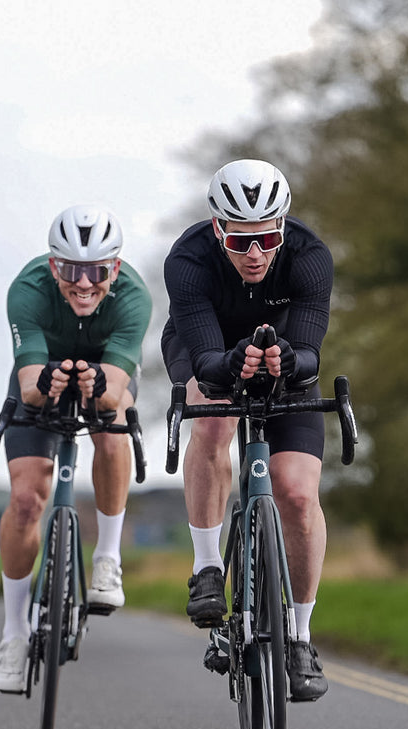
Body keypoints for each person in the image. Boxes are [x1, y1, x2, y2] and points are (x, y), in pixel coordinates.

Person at [162, 159, 333, 701]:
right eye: (240, 240)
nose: (256, 253)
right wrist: (229, 364)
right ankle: (209, 566)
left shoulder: (309, 257)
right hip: (206, 347)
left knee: (298, 495)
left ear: (283, 226)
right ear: (218, 229)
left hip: (284, 359)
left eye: (268, 238)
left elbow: (310, 353)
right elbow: (209, 363)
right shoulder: (188, 261)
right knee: (211, 426)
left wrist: (289, 360)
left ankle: (300, 635)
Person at [0, 204, 152, 693]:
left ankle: (107, 558)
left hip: (108, 376)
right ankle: (14, 634)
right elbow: (30, 385)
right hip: (40, 373)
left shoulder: (134, 297)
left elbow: (114, 392)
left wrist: (94, 385)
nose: (84, 283)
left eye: (97, 271)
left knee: (112, 424)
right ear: (53, 264)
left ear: (115, 269)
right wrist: (50, 382)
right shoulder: (29, 289)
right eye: (71, 270)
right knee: (25, 499)